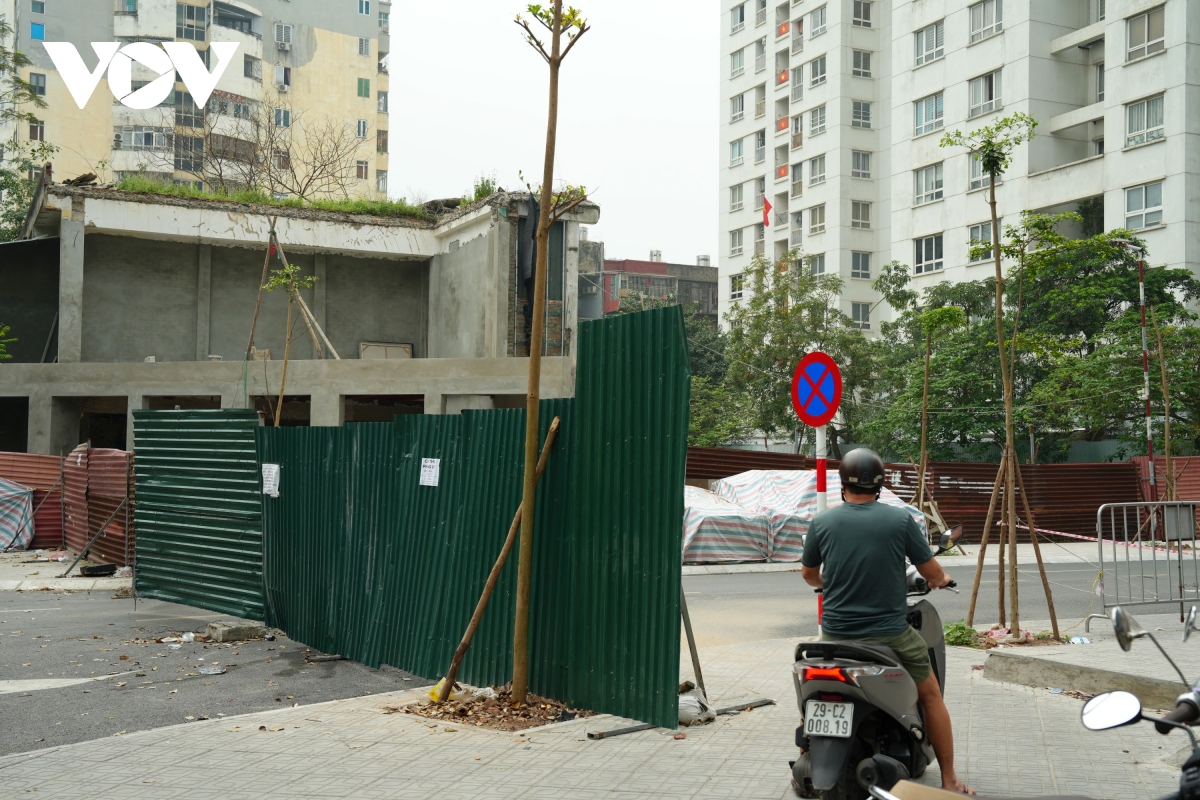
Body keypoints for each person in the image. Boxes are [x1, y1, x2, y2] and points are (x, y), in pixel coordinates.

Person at [799, 448, 974, 796]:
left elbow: (808, 573)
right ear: (880, 485)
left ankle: (805, 751)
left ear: (842, 483)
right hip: (889, 634)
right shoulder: (899, 520)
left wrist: (823, 583)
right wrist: (941, 579)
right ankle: (950, 779)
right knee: (931, 696)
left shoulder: (822, 522)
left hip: (834, 633)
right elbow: (931, 570)